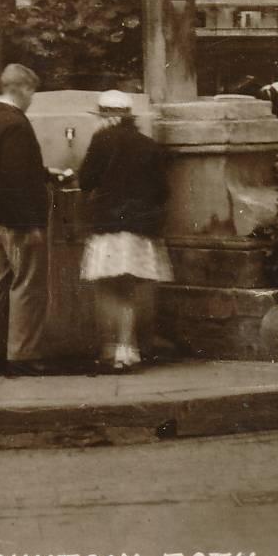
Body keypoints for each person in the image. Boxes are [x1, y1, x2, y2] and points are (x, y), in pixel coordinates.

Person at [78, 90, 172, 373]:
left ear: (106, 117)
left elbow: (85, 180)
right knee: (130, 289)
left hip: (108, 227)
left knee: (106, 287)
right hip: (140, 228)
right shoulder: (148, 144)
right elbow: (163, 190)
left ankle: (108, 349)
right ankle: (127, 349)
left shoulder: (101, 140)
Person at [0, 62, 52, 377]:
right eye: (31, 92)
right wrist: (32, 223)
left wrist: (46, 174)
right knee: (28, 282)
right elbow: (18, 177)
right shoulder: (17, 125)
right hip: (16, 218)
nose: (32, 99)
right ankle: (22, 355)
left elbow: (3, 171)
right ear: (21, 89)